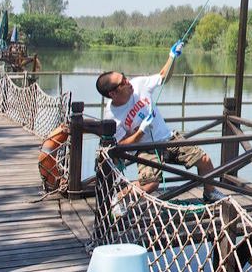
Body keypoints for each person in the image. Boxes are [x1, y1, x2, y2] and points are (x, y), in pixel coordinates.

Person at [95, 41, 226, 203]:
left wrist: (172, 57)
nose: (128, 81)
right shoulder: (112, 115)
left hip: (168, 139)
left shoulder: (138, 84)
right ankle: (119, 199)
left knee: (204, 161)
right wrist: (140, 132)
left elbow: (163, 76)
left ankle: (210, 193)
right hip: (145, 149)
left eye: (124, 77)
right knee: (150, 184)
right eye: (123, 82)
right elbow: (120, 145)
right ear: (113, 93)